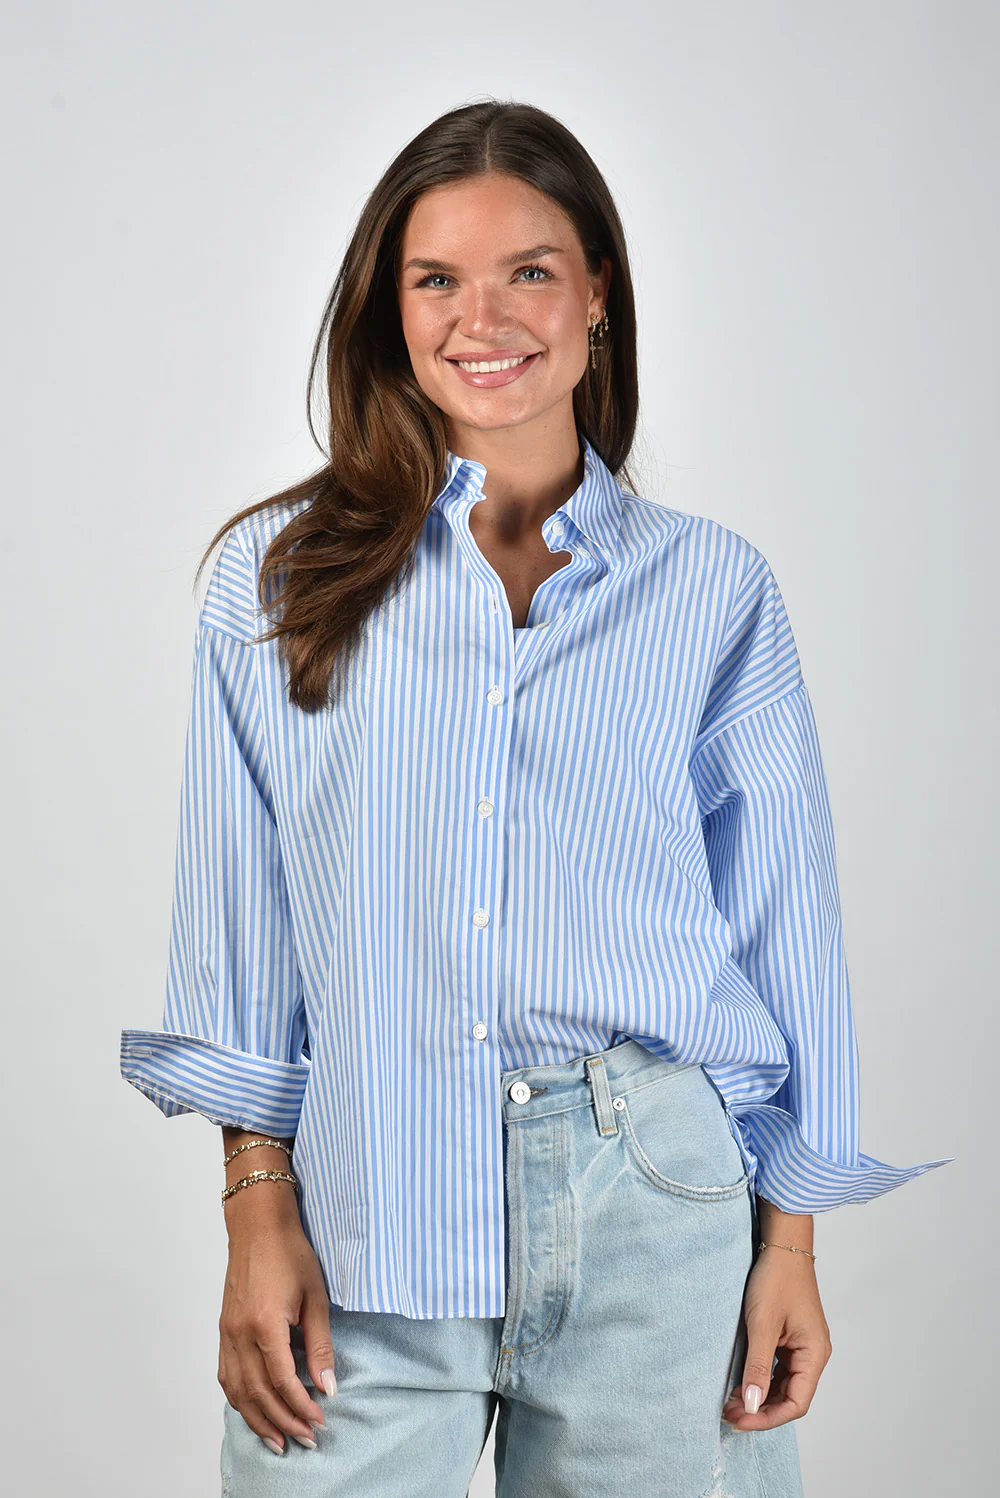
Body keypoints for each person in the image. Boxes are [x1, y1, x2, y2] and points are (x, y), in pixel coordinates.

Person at [120, 99, 951, 1497]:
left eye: (529, 271)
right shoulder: (275, 581)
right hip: (370, 1203)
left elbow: (783, 922)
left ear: (598, 293)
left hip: (658, 1204)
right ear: (389, 309)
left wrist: (791, 1242)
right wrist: (255, 1206)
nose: (483, 318)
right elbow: (238, 922)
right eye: (436, 278)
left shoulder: (713, 589)